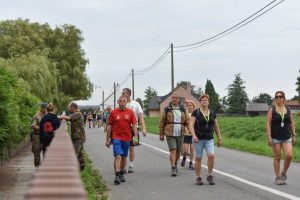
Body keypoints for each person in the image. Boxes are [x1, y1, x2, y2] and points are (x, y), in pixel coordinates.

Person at [106, 96, 138, 185]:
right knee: (118, 156)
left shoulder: (130, 112)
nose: (122, 102)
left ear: (126, 102)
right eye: (121, 101)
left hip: (127, 138)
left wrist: (135, 137)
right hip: (116, 137)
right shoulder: (113, 113)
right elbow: (109, 126)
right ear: (118, 102)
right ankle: (117, 175)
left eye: (124, 101)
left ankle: (121, 172)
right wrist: (108, 139)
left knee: (124, 157)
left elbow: (134, 125)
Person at [190, 94, 222, 185]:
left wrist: (219, 137)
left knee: (211, 156)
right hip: (198, 139)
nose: (204, 101)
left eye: (206, 100)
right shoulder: (196, 112)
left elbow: (215, 125)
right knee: (198, 158)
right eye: (203, 100)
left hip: (209, 138)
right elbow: (191, 124)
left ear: (208, 102)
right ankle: (198, 177)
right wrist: (194, 136)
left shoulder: (212, 112)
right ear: (200, 102)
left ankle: (209, 175)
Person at [266, 91, 296, 185]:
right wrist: (269, 137)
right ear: (275, 98)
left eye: (280, 97)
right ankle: (278, 177)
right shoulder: (272, 109)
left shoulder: (288, 109)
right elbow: (268, 123)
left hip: (286, 136)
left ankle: (283, 173)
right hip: (275, 137)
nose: (278, 98)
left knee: (289, 155)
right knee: (277, 157)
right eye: (277, 97)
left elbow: (291, 122)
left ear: (284, 98)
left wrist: (294, 135)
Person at [159, 92, 190, 177]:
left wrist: (190, 130)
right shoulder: (167, 109)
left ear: (179, 99)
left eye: (176, 98)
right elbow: (162, 122)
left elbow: (187, 121)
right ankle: (173, 167)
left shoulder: (183, 109)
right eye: (173, 98)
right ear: (171, 99)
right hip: (170, 132)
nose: (174, 99)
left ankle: (175, 163)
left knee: (178, 152)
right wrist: (161, 134)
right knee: (173, 150)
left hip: (180, 132)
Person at [122, 88, 147, 173]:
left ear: (128, 94)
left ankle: (131, 165)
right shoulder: (122, 104)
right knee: (124, 147)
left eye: (123, 93)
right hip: (123, 129)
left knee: (132, 146)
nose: (122, 94)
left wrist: (144, 128)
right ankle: (123, 166)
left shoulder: (136, 104)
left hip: (134, 129)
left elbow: (141, 117)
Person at [60, 102, 86, 170]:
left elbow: (69, 118)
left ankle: (72, 169)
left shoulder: (77, 113)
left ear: (72, 107)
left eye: (69, 108)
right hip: (77, 136)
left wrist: (60, 117)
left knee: (75, 152)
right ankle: (81, 166)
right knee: (80, 152)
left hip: (79, 137)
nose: (68, 109)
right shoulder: (76, 113)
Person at [31, 103, 47, 167]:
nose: (46, 109)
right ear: (42, 108)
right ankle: (37, 165)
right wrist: (43, 128)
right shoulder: (36, 116)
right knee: (37, 150)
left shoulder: (48, 116)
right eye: (45, 108)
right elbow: (33, 126)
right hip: (37, 135)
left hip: (46, 136)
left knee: (47, 150)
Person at [181, 99, 195, 170]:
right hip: (186, 134)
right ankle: (184, 158)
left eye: (190, 105)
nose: (189, 106)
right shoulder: (184, 113)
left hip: (193, 135)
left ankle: (191, 164)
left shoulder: (195, 114)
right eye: (188, 105)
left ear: (193, 106)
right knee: (185, 151)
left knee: (192, 150)